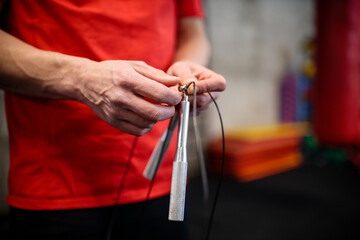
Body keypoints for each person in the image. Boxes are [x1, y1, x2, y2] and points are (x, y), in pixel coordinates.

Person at [0, 0, 226, 239]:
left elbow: (193, 33)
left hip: (161, 180)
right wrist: (81, 78)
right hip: (54, 186)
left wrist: (187, 67)